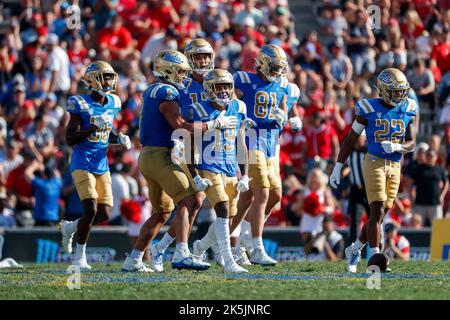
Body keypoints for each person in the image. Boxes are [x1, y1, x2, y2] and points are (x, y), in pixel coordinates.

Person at [121, 50, 237, 272]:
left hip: (149, 155)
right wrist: (213, 125)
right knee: (190, 199)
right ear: (168, 70)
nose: (184, 75)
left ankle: (134, 259)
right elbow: (181, 127)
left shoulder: (153, 90)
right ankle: (182, 253)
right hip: (161, 154)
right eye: (181, 71)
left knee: (162, 213)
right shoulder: (167, 91)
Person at [329, 68, 417, 273]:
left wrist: (398, 147)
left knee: (378, 216)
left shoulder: (408, 107)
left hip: (395, 164)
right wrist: (338, 166)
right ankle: (375, 257)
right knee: (376, 210)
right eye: (396, 91)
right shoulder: (368, 107)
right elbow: (351, 139)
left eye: (402, 91)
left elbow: (411, 143)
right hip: (375, 161)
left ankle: (355, 248)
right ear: (384, 90)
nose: (401, 96)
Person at [146, 39, 216, 272]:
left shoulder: (215, 81)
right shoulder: (173, 89)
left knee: (193, 202)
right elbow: (179, 123)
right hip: (183, 145)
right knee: (192, 199)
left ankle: (162, 248)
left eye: (205, 56)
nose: (202, 61)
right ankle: (180, 251)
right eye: (197, 57)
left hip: (204, 145)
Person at [230, 44, 300, 266]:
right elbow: (228, 102)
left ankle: (237, 241)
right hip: (250, 141)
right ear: (260, 63)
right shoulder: (244, 80)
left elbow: (287, 105)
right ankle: (256, 246)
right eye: (273, 67)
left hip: (271, 144)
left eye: (280, 68)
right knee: (262, 192)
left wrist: (291, 117)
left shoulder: (282, 85)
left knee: (274, 196)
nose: (276, 72)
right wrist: (238, 117)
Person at [59, 61, 132, 269]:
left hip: (102, 163)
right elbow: (70, 139)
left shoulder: (113, 102)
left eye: (110, 77)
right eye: (104, 77)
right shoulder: (79, 103)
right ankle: (79, 258)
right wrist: (91, 126)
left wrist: (119, 139)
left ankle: (70, 228)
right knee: (90, 209)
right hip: (82, 161)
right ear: (92, 80)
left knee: (104, 213)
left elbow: (105, 132)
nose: (109, 81)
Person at [183, 69, 251, 273]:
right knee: (221, 209)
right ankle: (229, 261)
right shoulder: (197, 109)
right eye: (218, 86)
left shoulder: (238, 107)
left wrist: (245, 174)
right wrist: (194, 174)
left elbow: (241, 143)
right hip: (208, 166)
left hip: (230, 167)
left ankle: (200, 247)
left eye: (226, 86)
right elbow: (188, 142)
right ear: (208, 89)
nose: (223, 90)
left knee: (228, 217)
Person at [408, 149, 448, 226]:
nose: (429, 157)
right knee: (416, 226)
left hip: (435, 203)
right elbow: (409, 183)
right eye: (427, 155)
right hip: (420, 203)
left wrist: (442, 196)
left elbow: (446, 183)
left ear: (436, 157)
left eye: (431, 156)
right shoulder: (418, 169)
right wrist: (411, 197)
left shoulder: (439, 169)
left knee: (438, 227)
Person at [24, 161, 62, 226]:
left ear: (43, 174)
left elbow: (27, 173)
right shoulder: (57, 183)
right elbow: (58, 174)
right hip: (54, 219)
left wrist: (34, 166)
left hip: (41, 220)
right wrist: (50, 168)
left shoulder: (41, 184)